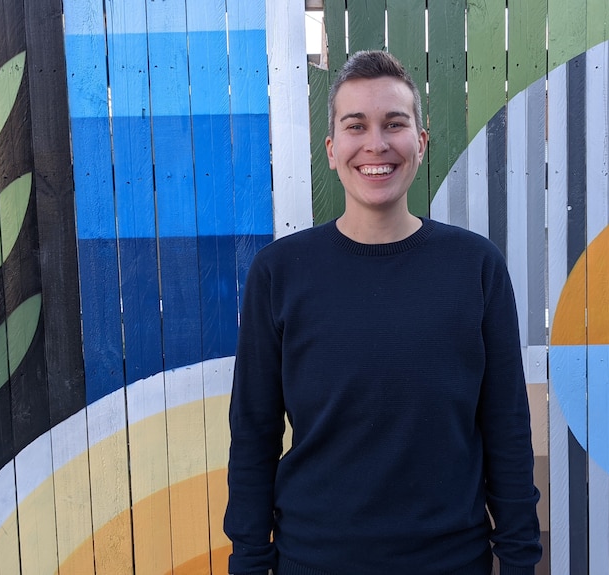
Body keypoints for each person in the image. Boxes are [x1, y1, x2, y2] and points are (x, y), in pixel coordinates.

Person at [225, 50, 541, 575]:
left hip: (451, 561)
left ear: (419, 143)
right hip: (314, 561)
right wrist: (251, 562)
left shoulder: (475, 267)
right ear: (332, 149)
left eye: (395, 124)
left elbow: (506, 427)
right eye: (356, 126)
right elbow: (254, 433)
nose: (376, 143)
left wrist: (519, 560)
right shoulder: (280, 273)